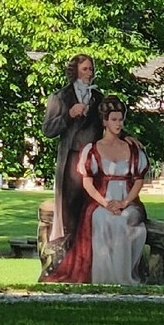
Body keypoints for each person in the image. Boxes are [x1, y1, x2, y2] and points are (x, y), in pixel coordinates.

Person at [44, 95, 149, 285]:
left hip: (129, 202)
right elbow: (88, 184)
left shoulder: (133, 149)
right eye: (114, 119)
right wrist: (106, 204)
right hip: (101, 201)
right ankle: (103, 277)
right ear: (104, 121)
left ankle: (124, 277)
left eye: (121, 119)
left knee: (123, 221)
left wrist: (124, 203)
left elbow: (138, 182)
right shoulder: (92, 150)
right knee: (101, 219)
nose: (118, 124)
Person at [41, 54, 103, 254]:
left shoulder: (98, 98)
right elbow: (48, 129)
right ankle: (69, 254)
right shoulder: (60, 97)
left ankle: (89, 255)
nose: (89, 73)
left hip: (94, 161)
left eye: (91, 69)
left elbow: (111, 124)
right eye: (85, 69)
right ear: (75, 71)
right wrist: (69, 114)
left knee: (92, 208)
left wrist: (127, 138)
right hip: (71, 160)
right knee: (70, 209)